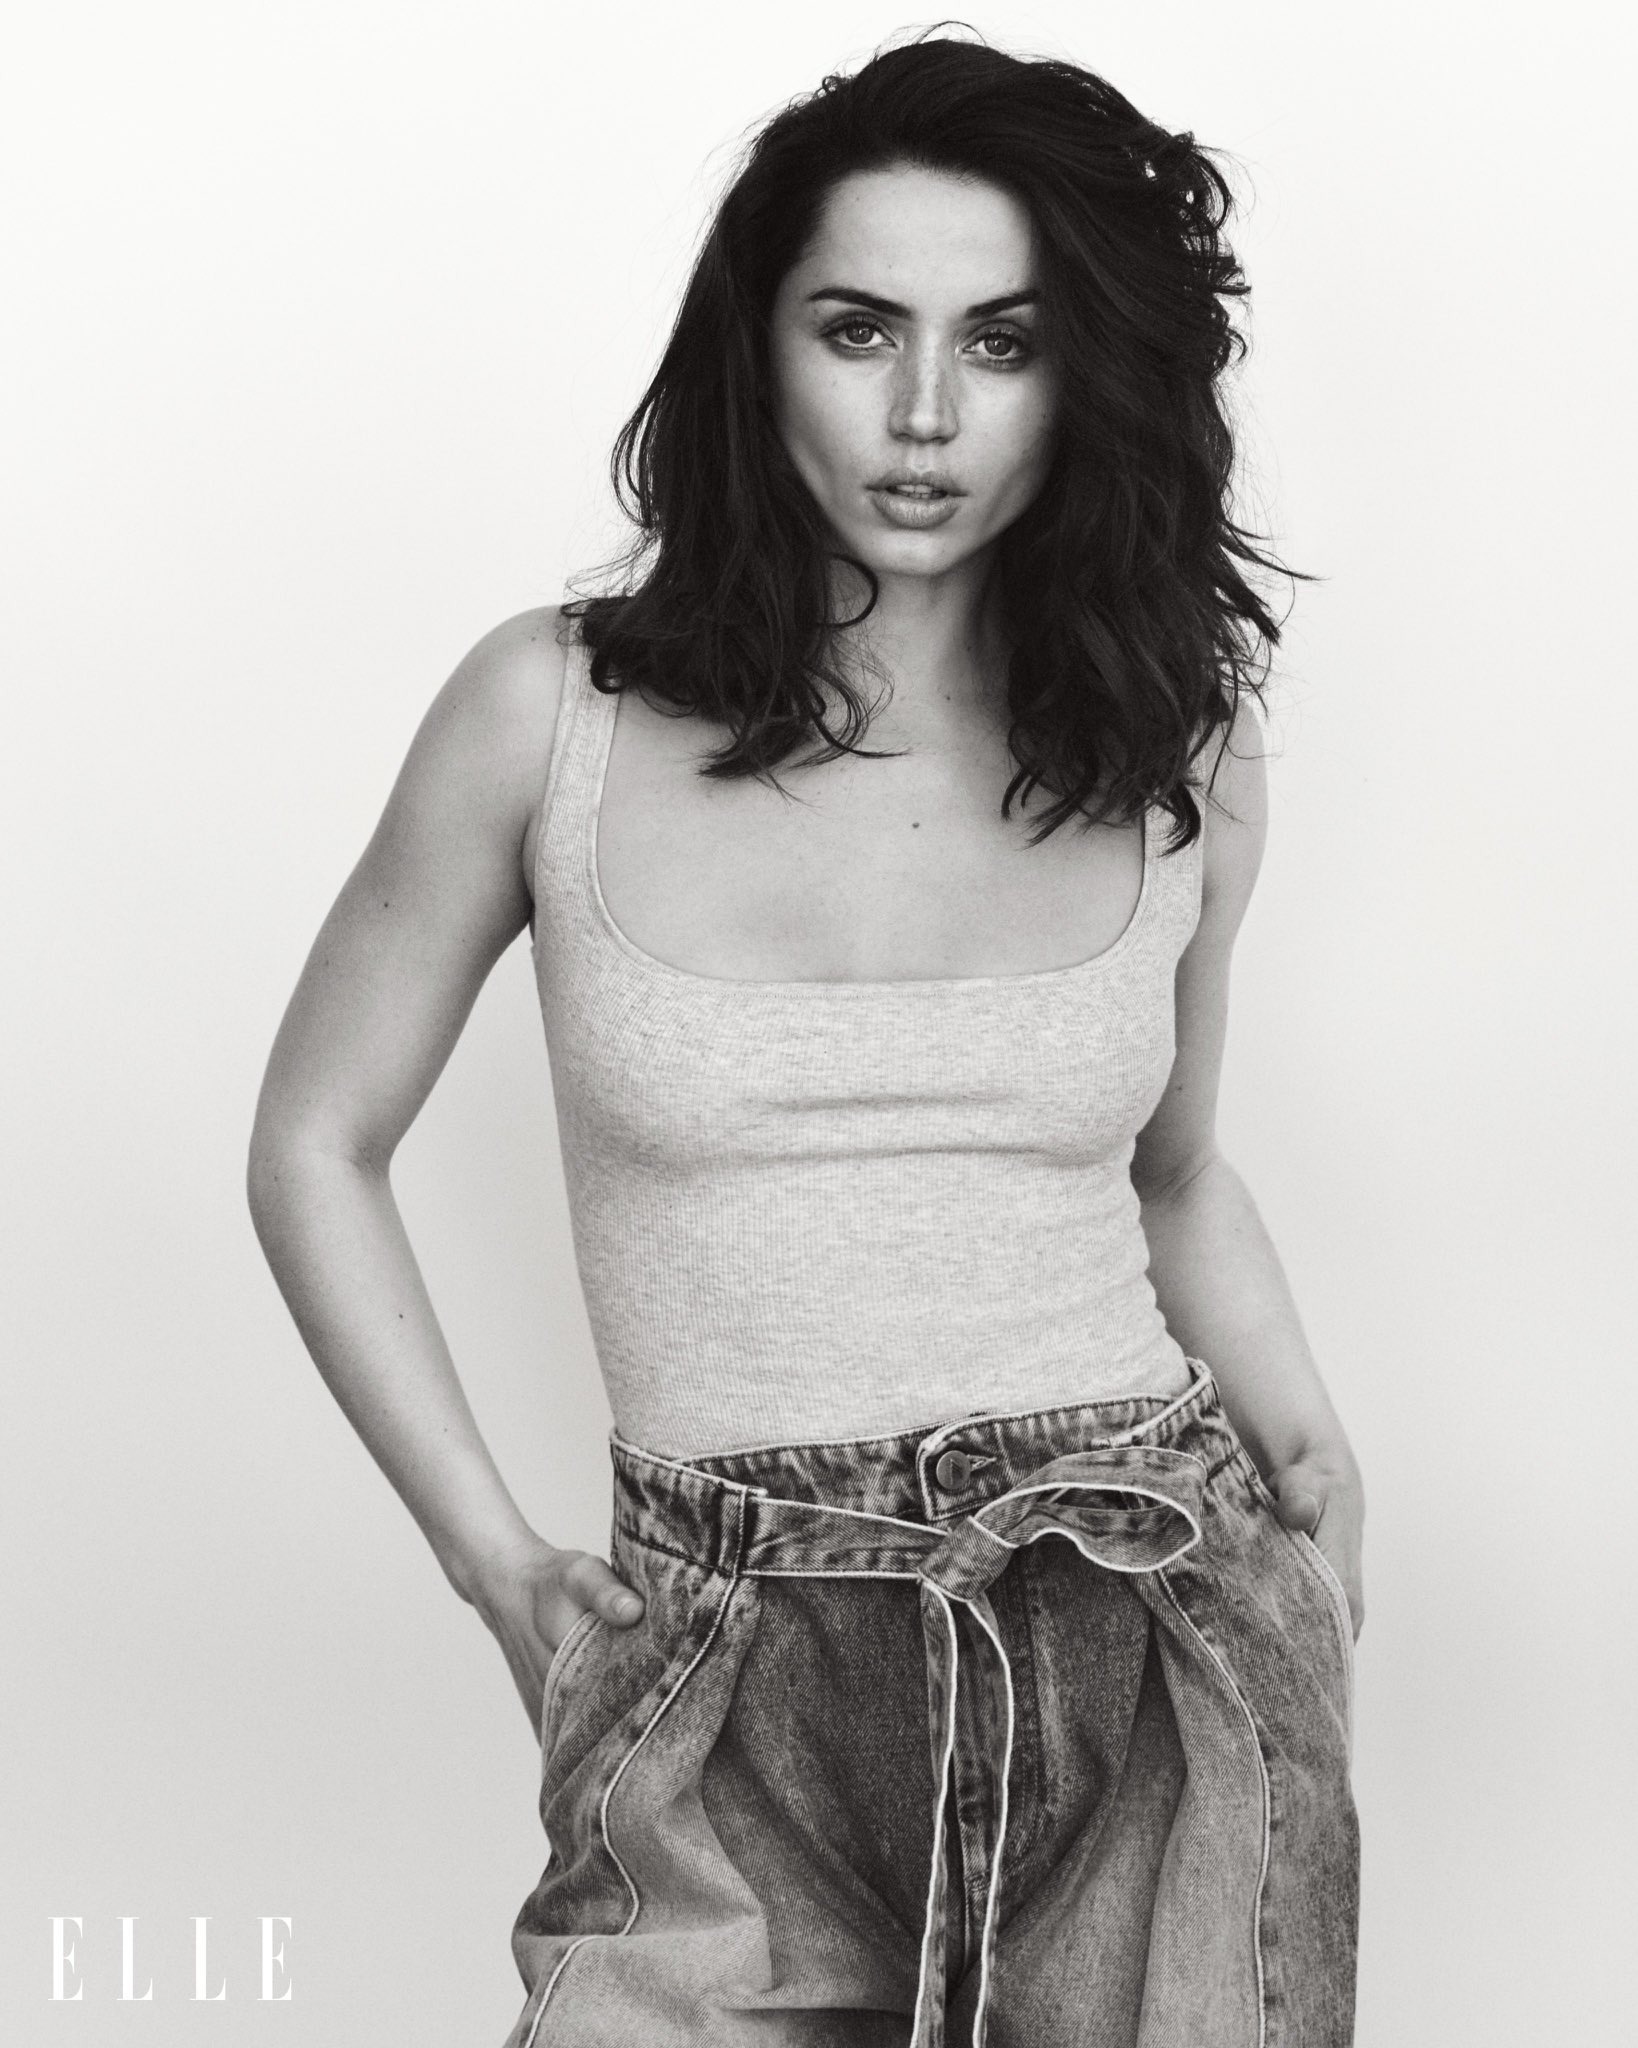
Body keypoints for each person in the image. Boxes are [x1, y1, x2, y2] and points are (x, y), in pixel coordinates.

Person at [247, 32, 1364, 2048]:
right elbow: (316, 1141)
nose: (925, 415)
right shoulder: (547, 714)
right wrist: (491, 1561)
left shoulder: (1177, 747)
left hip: (1147, 1625)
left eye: (1002, 342)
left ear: (1084, 380)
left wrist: (1310, 1448)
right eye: (861, 331)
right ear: (754, 351)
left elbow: (1176, 1166)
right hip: (718, 1673)